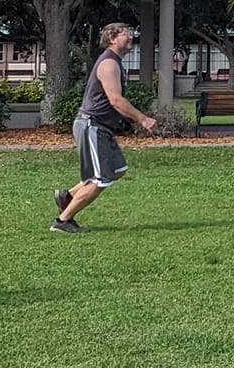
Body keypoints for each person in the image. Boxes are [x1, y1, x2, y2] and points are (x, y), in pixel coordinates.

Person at [51, 22, 158, 233]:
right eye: (125, 34)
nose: (130, 37)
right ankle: (63, 221)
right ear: (112, 39)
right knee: (101, 180)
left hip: (101, 127)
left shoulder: (115, 62)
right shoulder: (109, 64)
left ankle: (68, 196)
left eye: (130, 33)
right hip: (92, 125)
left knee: (117, 170)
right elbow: (116, 100)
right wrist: (142, 119)